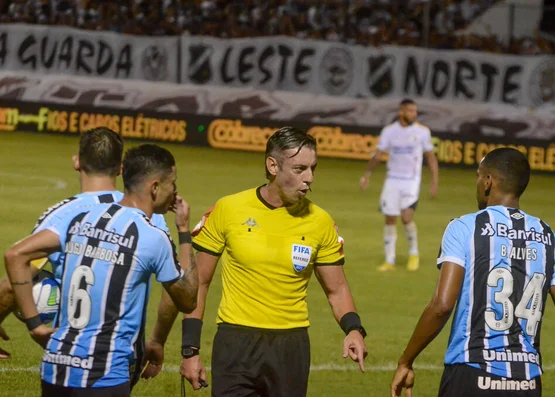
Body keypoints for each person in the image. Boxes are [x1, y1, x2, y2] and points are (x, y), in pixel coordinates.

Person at [173, 126, 368, 396]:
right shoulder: (229, 209)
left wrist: (354, 329)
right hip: (235, 342)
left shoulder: (320, 222)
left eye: (313, 168)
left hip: (290, 347)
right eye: (300, 169)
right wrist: (190, 349)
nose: (309, 178)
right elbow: (199, 283)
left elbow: (337, 289)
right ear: (273, 166)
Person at [4, 144, 199, 397]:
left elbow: (15, 254)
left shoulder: (80, 218)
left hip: (56, 367)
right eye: (172, 183)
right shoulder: (153, 236)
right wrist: (184, 231)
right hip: (106, 373)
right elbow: (188, 299)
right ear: (154, 187)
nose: (175, 191)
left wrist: (34, 325)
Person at [390, 148, 555, 397]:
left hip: (471, 373)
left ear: (487, 182)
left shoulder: (463, 228)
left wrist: (406, 360)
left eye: (478, 176)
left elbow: (442, 305)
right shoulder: (549, 237)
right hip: (526, 382)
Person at [360, 98, 439, 272]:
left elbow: (430, 157)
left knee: (406, 217)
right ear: (401, 112)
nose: (414, 114)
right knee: (389, 219)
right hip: (392, 180)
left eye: (415, 111)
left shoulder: (422, 132)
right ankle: (390, 260)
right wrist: (367, 174)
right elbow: (378, 154)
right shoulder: (389, 131)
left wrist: (434, 180)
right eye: (410, 110)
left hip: (411, 181)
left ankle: (413, 254)